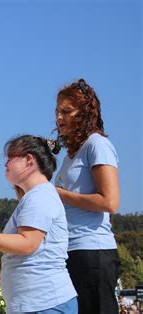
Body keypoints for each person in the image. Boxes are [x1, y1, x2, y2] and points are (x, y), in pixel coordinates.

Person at [0, 135, 77, 314]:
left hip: (45, 304)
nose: (5, 164)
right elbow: (16, 241)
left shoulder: (39, 197)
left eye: (10, 157)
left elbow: (27, 244)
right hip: (38, 304)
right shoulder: (36, 196)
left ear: (29, 160)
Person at [54, 78, 120, 314]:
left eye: (66, 111)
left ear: (84, 113)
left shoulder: (97, 145)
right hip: (70, 252)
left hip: (92, 252)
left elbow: (110, 202)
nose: (59, 118)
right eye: (57, 112)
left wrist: (61, 194)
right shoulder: (70, 156)